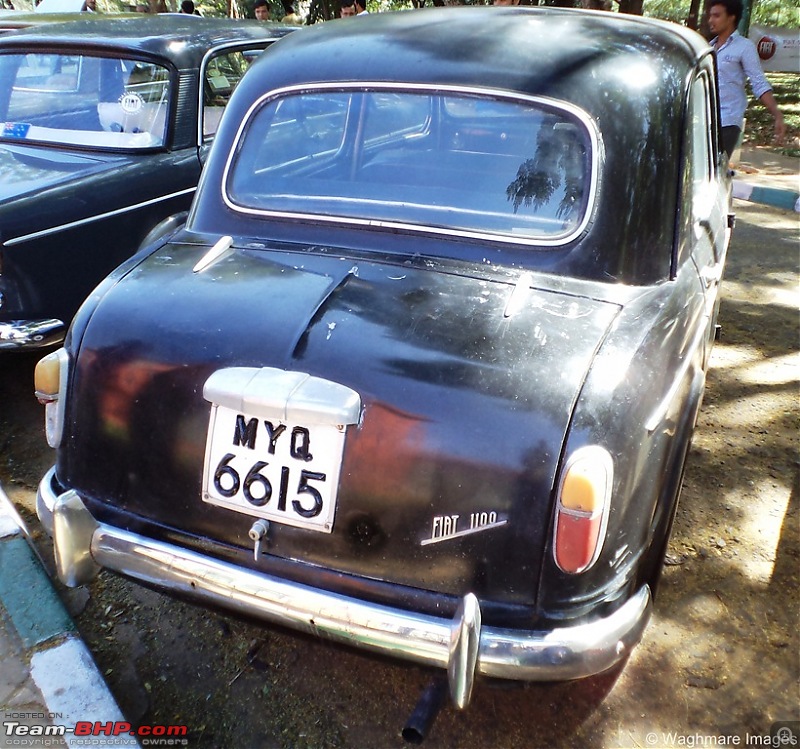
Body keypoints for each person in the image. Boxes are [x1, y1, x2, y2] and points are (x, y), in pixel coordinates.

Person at [708, 0, 785, 159]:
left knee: (715, 169)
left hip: (727, 122)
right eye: (710, 15)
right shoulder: (709, 48)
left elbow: (759, 82)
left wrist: (777, 115)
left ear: (731, 18)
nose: (710, 20)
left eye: (716, 15)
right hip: (705, 120)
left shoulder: (744, 47)